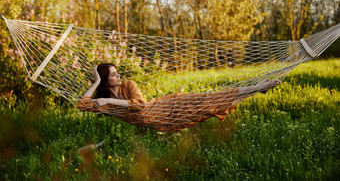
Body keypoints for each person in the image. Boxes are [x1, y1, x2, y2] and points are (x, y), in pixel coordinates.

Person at [77, 63, 280, 131]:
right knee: (209, 109)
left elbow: (140, 106)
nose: (118, 75)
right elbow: (81, 104)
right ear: (105, 80)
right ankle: (255, 89)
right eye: (113, 74)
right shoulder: (104, 104)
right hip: (165, 121)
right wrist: (95, 84)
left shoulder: (127, 86)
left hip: (169, 105)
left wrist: (108, 100)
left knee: (210, 100)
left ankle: (255, 88)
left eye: (117, 72)